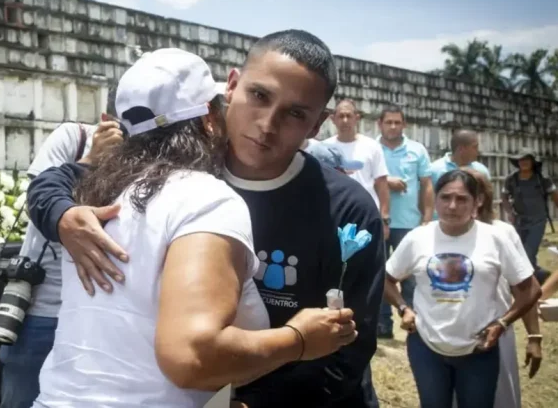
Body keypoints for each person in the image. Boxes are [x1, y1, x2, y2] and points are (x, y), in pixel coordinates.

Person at [27, 30, 386, 407]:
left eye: (295, 113)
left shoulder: (346, 208)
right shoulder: (182, 172)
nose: (268, 123)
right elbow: (59, 178)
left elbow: (347, 345)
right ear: (231, 86)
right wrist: (62, 214)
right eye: (259, 96)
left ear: (317, 125)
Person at [0, 96, 123, 408]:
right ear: (108, 118)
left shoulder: (142, 162)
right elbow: (40, 204)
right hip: (43, 308)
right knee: (21, 399)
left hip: (98, 312)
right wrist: (91, 160)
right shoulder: (73, 137)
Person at [383, 170, 541, 408]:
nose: (452, 206)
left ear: (477, 201)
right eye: (445, 198)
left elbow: (530, 290)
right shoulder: (418, 238)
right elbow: (385, 279)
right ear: (435, 200)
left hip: (479, 349)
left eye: (462, 199)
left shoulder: (495, 238)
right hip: (426, 347)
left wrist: (503, 323)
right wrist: (404, 307)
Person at [460, 167, 542, 408]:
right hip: (449, 336)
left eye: (466, 194)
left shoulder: (502, 232)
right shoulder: (438, 234)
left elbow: (527, 289)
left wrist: (534, 337)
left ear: (481, 198)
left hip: (495, 333)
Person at [376, 105, 433, 338]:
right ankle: (382, 325)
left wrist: (427, 218)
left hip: (409, 224)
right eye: (388, 122)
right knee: (379, 276)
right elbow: (364, 179)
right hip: (378, 222)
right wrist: (386, 180)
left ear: (404, 124)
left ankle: (414, 321)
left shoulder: (417, 150)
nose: (392, 126)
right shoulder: (371, 148)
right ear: (380, 124)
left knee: (411, 277)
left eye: (397, 122)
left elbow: (427, 185)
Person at [323, 100, 391, 240]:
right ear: (333, 119)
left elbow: (382, 184)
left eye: (349, 116)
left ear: (357, 118)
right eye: (341, 116)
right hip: (334, 214)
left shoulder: (372, 146)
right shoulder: (323, 148)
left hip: (366, 214)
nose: (345, 120)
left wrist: (384, 220)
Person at [501, 149, 557, 285]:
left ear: (532, 162)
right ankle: (539, 276)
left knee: (529, 252)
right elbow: (504, 196)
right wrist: (509, 212)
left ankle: (528, 286)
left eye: (527, 159)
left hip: (538, 221)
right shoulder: (511, 179)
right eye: (521, 160)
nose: (524, 162)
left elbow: (555, 196)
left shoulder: (542, 178)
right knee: (519, 252)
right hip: (519, 222)